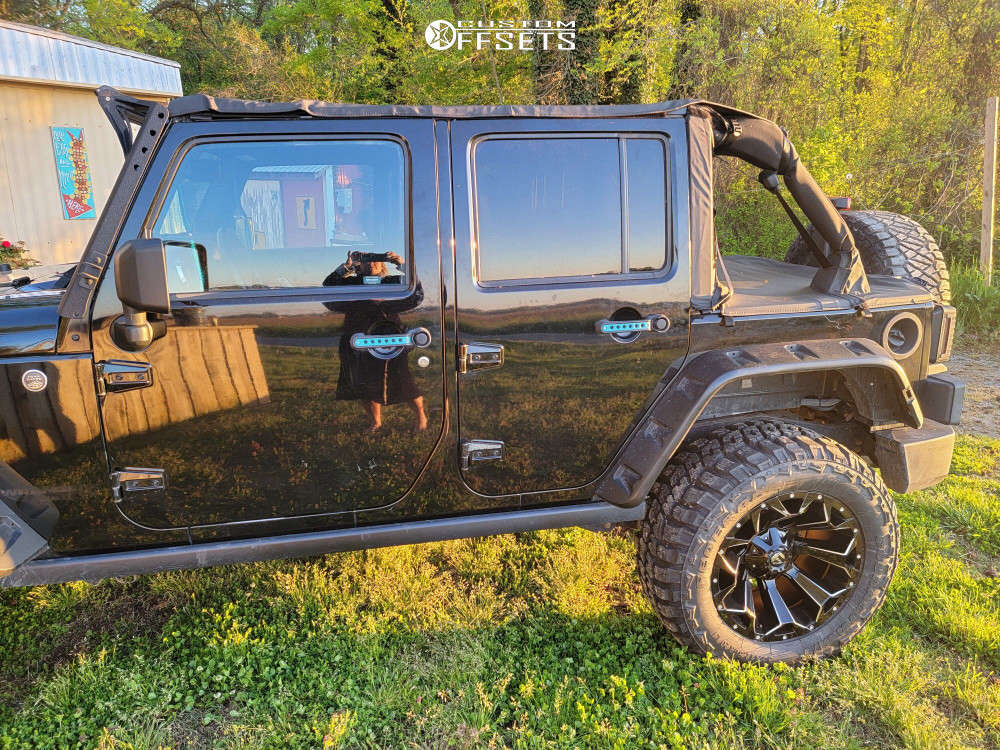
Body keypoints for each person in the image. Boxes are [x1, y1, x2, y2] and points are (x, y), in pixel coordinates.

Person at [323, 251, 427, 432]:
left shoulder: (394, 283)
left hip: (390, 338)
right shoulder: (350, 284)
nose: (372, 263)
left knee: (404, 380)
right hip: (358, 339)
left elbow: (417, 295)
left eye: (377, 260)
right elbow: (327, 291)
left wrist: (402, 265)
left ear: (383, 264)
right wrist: (346, 267)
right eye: (366, 260)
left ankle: (421, 417)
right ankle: (375, 422)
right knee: (364, 384)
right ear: (359, 266)